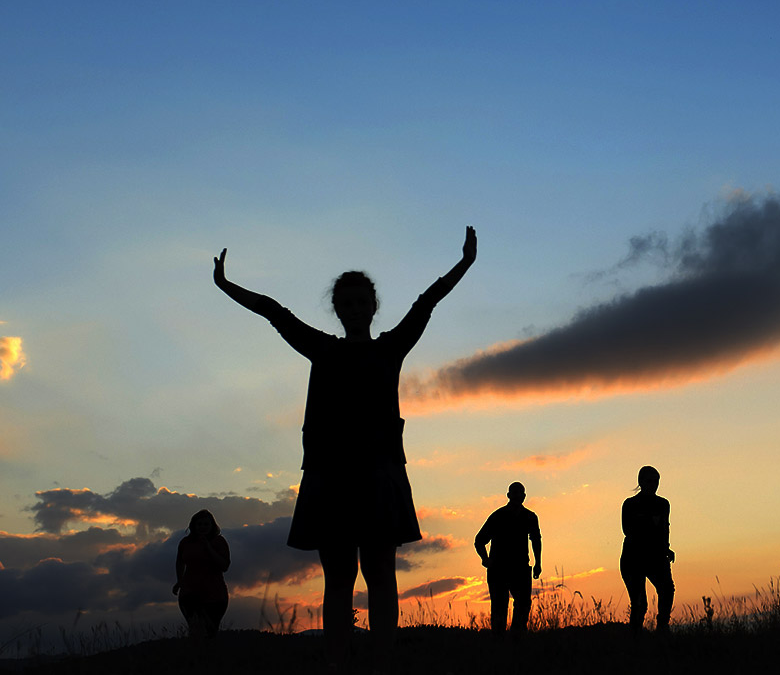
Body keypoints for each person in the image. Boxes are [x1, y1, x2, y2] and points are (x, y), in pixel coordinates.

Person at [212, 227, 475, 667]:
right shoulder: (322, 348)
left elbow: (426, 303)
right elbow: (273, 311)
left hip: (379, 477)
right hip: (330, 478)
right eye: (346, 304)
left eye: (361, 303)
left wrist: (464, 264)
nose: (354, 310)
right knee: (338, 580)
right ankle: (337, 663)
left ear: (373, 307)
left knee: (381, 576)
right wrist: (225, 285)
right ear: (337, 309)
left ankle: (382, 662)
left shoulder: (390, 348)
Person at [474, 481, 543, 638]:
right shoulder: (497, 516)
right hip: (499, 569)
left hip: (521, 568)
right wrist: (485, 559)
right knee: (499, 607)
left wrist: (538, 563)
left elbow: (536, 539)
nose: (518, 496)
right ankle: (499, 641)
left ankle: (517, 637)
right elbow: (479, 540)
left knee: (523, 604)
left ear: (524, 496)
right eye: (515, 493)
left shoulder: (530, 517)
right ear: (508, 495)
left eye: (520, 493)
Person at [621, 465, 674, 634]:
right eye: (650, 481)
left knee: (667, 590)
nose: (653, 485)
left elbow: (664, 529)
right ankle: (635, 636)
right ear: (641, 482)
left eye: (656, 481)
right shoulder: (629, 504)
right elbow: (628, 530)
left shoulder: (663, 504)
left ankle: (662, 628)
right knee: (639, 603)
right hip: (633, 558)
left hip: (656, 556)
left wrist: (666, 548)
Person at [173, 509, 231, 639]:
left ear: (212, 525)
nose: (202, 527)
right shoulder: (185, 542)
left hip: (215, 594)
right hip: (189, 593)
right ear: (193, 526)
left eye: (206, 524)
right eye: (199, 524)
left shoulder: (219, 542)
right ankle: (195, 651)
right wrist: (179, 581)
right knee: (195, 630)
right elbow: (180, 562)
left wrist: (208, 547)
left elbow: (224, 565)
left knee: (210, 631)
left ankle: (208, 651)